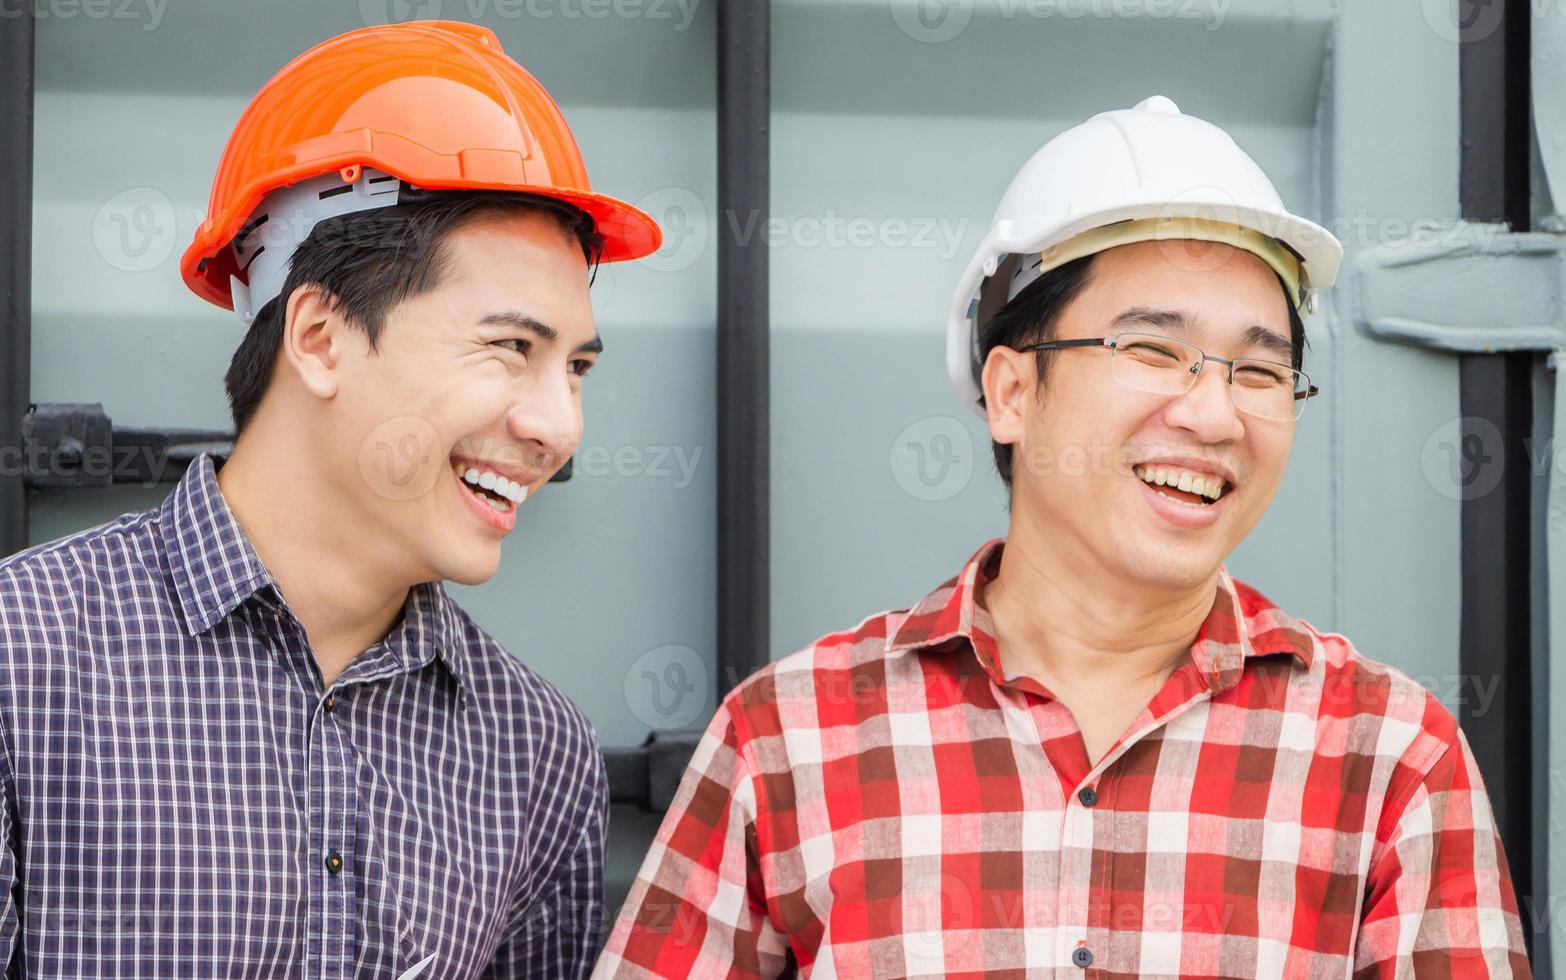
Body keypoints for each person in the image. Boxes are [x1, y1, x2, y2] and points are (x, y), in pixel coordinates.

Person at [596, 96, 1529, 977]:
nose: (1212, 413)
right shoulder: (788, 738)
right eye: (1153, 350)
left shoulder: (1389, 758)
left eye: (1258, 370)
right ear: (1011, 392)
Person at [0, 21, 659, 978]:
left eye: (577, 367)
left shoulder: (538, 751)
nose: (559, 428)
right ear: (318, 337)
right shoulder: (22, 663)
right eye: (512, 348)